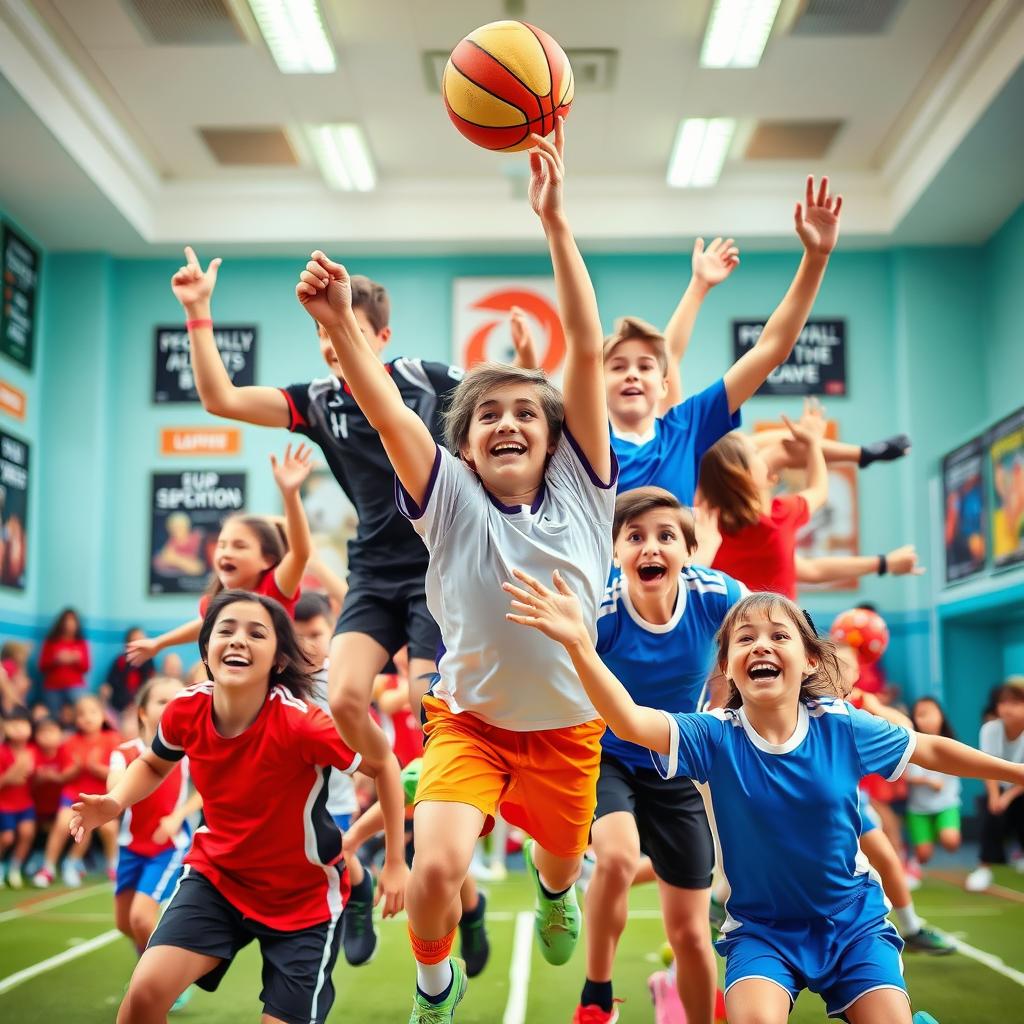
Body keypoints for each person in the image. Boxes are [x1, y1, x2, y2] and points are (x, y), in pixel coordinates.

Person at [296, 117, 614, 1023]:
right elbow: (391, 412)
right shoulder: (451, 500)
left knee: (559, 865)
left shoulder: (586, 492)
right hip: (467, 724)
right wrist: (338, 328)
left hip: (566, 735)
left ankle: (557, 889)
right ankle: (437, 986)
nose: (509, 422)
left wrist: (556, 224)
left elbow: (582, 353)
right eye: (488, 416)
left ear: (556, 440)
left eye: (527, 412)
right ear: (464, 445)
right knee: (435, 864)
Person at [505, 581, 1024, 1024]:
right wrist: (579, 643)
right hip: (763, 931)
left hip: (852, 922)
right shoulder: (714, 736)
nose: (761, 646)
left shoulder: (842, 726)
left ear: (810, 660)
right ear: (728, 667)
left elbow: (929, 749)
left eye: (779, 636)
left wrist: (1013, 770)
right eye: (745, 638)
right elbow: (629, 722)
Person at [168, 245, 509, 796]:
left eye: (344, 327)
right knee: (346, 698)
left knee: (431, 705)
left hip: (438, 568)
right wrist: (197, 313)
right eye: (322, 333)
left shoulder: (426, 380)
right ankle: (392, 781)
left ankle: (444, 810)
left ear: (381, 338)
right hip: (373, 571)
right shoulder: (321, 401)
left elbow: (506, 402)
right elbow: (221, 399)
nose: (331, 343)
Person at [67, 591, 407, 1024]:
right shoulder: (185, 710)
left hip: (301, 900)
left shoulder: (304, 725)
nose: (238, 640)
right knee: (143, 995)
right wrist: (114, 802)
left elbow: (385, 768)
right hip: (217, 879)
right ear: (206, 650)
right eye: (225, 630)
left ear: (279, 660)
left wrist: (395, 861)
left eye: (256, 633)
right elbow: (154, 763)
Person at [575, 487, 746, 1024]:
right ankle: (596, 993)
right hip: (607, 755)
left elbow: (768, 639)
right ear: (615, 551)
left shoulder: (719, 595)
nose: (651, 548)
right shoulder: (599, 609)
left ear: (688, 551)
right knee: (620, 856)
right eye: (635, 537)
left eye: (666, 536)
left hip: (677, 759)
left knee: (694, 934)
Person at [606, 177, 840, 507]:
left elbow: (770, 349)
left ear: (664, 384)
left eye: (644, 366)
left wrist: (815, 260)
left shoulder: (683, 429)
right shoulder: (586, 442)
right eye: (618, 366)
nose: (632, 374)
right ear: (596, 385)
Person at [699, 413, 924, 597]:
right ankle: (861, 453)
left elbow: (812, 570)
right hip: (779, 630)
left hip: (734, 633)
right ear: (752, 476)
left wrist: (885, 563)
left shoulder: (707, 524)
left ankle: (862, 453)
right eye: (757, 456)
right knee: (781, 448)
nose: (767, 460)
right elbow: (819, 489)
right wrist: (813, 443)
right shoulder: (780, 517)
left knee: (759, 448)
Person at [127, 445, 313, 666]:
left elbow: (300, 553)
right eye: (222, 545)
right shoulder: (213, 602)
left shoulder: (275, 587)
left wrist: (290, 494)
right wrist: (159, 643)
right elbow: (204, 624)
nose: (226, 552)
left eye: (239, 546)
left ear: (267, 560)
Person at [342, 757, 492, 980]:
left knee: (445, 862)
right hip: (409, 786)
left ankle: (472, 914)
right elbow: (380, 769)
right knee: (434, 870)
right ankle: (359, 898)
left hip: (444, 780)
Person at [293, 591, 374, 967]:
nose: (307, 644)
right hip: (292, 795)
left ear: (332, 631)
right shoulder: (280, 678)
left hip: (335, 796)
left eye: (315, 633)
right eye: (298, 635)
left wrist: (365, 773)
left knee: (335, 855)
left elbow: (365, 730)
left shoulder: (339, 677)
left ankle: (358, 892)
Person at [109, 677, 201, 958]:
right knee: (125, 923)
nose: (171, 706)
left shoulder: (189, 751)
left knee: (141, 918)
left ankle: (164, 976)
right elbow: (114, 788)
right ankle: (149, 966)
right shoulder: (124, 753)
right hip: (131, 846)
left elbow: (205, 792)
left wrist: (178, 816)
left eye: (177, 700)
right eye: (162, 701)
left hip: (168, 846)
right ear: (142, 712)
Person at [33, 693, 121, 887]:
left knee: (109, 828)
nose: (87, 717)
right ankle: (48, 867)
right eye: (81, 714)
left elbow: (120, 774)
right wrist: (74, 770)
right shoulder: (70, 743)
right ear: (75, 719)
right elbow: (64, 776)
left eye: (92, 712)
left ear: (103, 715)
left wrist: (97, 768)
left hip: (102, 798)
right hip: (73, 796)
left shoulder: (113, 739)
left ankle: (112, 865)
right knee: (63, 824)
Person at [966, 677, 1024, 892]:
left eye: (1016, 703)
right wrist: (995, 797)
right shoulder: (990, 728)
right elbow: (987, 766)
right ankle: (984, 868)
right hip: (999, 784)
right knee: (992, 813)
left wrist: (1009, 797)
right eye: (1003, 702)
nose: (1007, 708)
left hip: (1021, 786)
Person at [905, 698, 962, 867]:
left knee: (951, 842)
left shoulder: (951, 743)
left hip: (946, 804)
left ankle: (941, 831)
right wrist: (928, 782)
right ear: (914, 719)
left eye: (930, 713)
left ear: (941, 716)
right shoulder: (911, 743)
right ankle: (915, 862)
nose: (927, 719)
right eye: (921, 715)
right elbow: (906, 775)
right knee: (923, 856)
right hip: (918, 808)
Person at [0, 707, 37, 888]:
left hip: (25, 803)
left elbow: (36, 776)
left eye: (23, 723)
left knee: (27, 833)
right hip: (4, 804)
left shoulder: (33, 750)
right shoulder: (2, 752)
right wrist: (11, 775)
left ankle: (15, 868)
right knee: (6, 837)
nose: (19, 728)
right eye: (12, 724)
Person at [38, 609, 91, 722]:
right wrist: (56, 660)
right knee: (53, 717)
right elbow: (42, 666)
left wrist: (76, 659)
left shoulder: (81, 643)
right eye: (66, 621)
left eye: (72, 621)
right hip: (52, 686)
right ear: (61, 623)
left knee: (81, 712)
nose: (69, 624)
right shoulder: (51, 642)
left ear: (77, 624)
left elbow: (86, 667)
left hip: (75, 686)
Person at [103, 628, 157, 717]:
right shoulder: (120, 661)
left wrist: (136, 705)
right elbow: (110, 684)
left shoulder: (149, 662)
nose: (140, 645)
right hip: (119, 707)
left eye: (142, 640)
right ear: (128, 644)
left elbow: (149, 685)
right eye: (136, 641)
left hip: (140, 706)